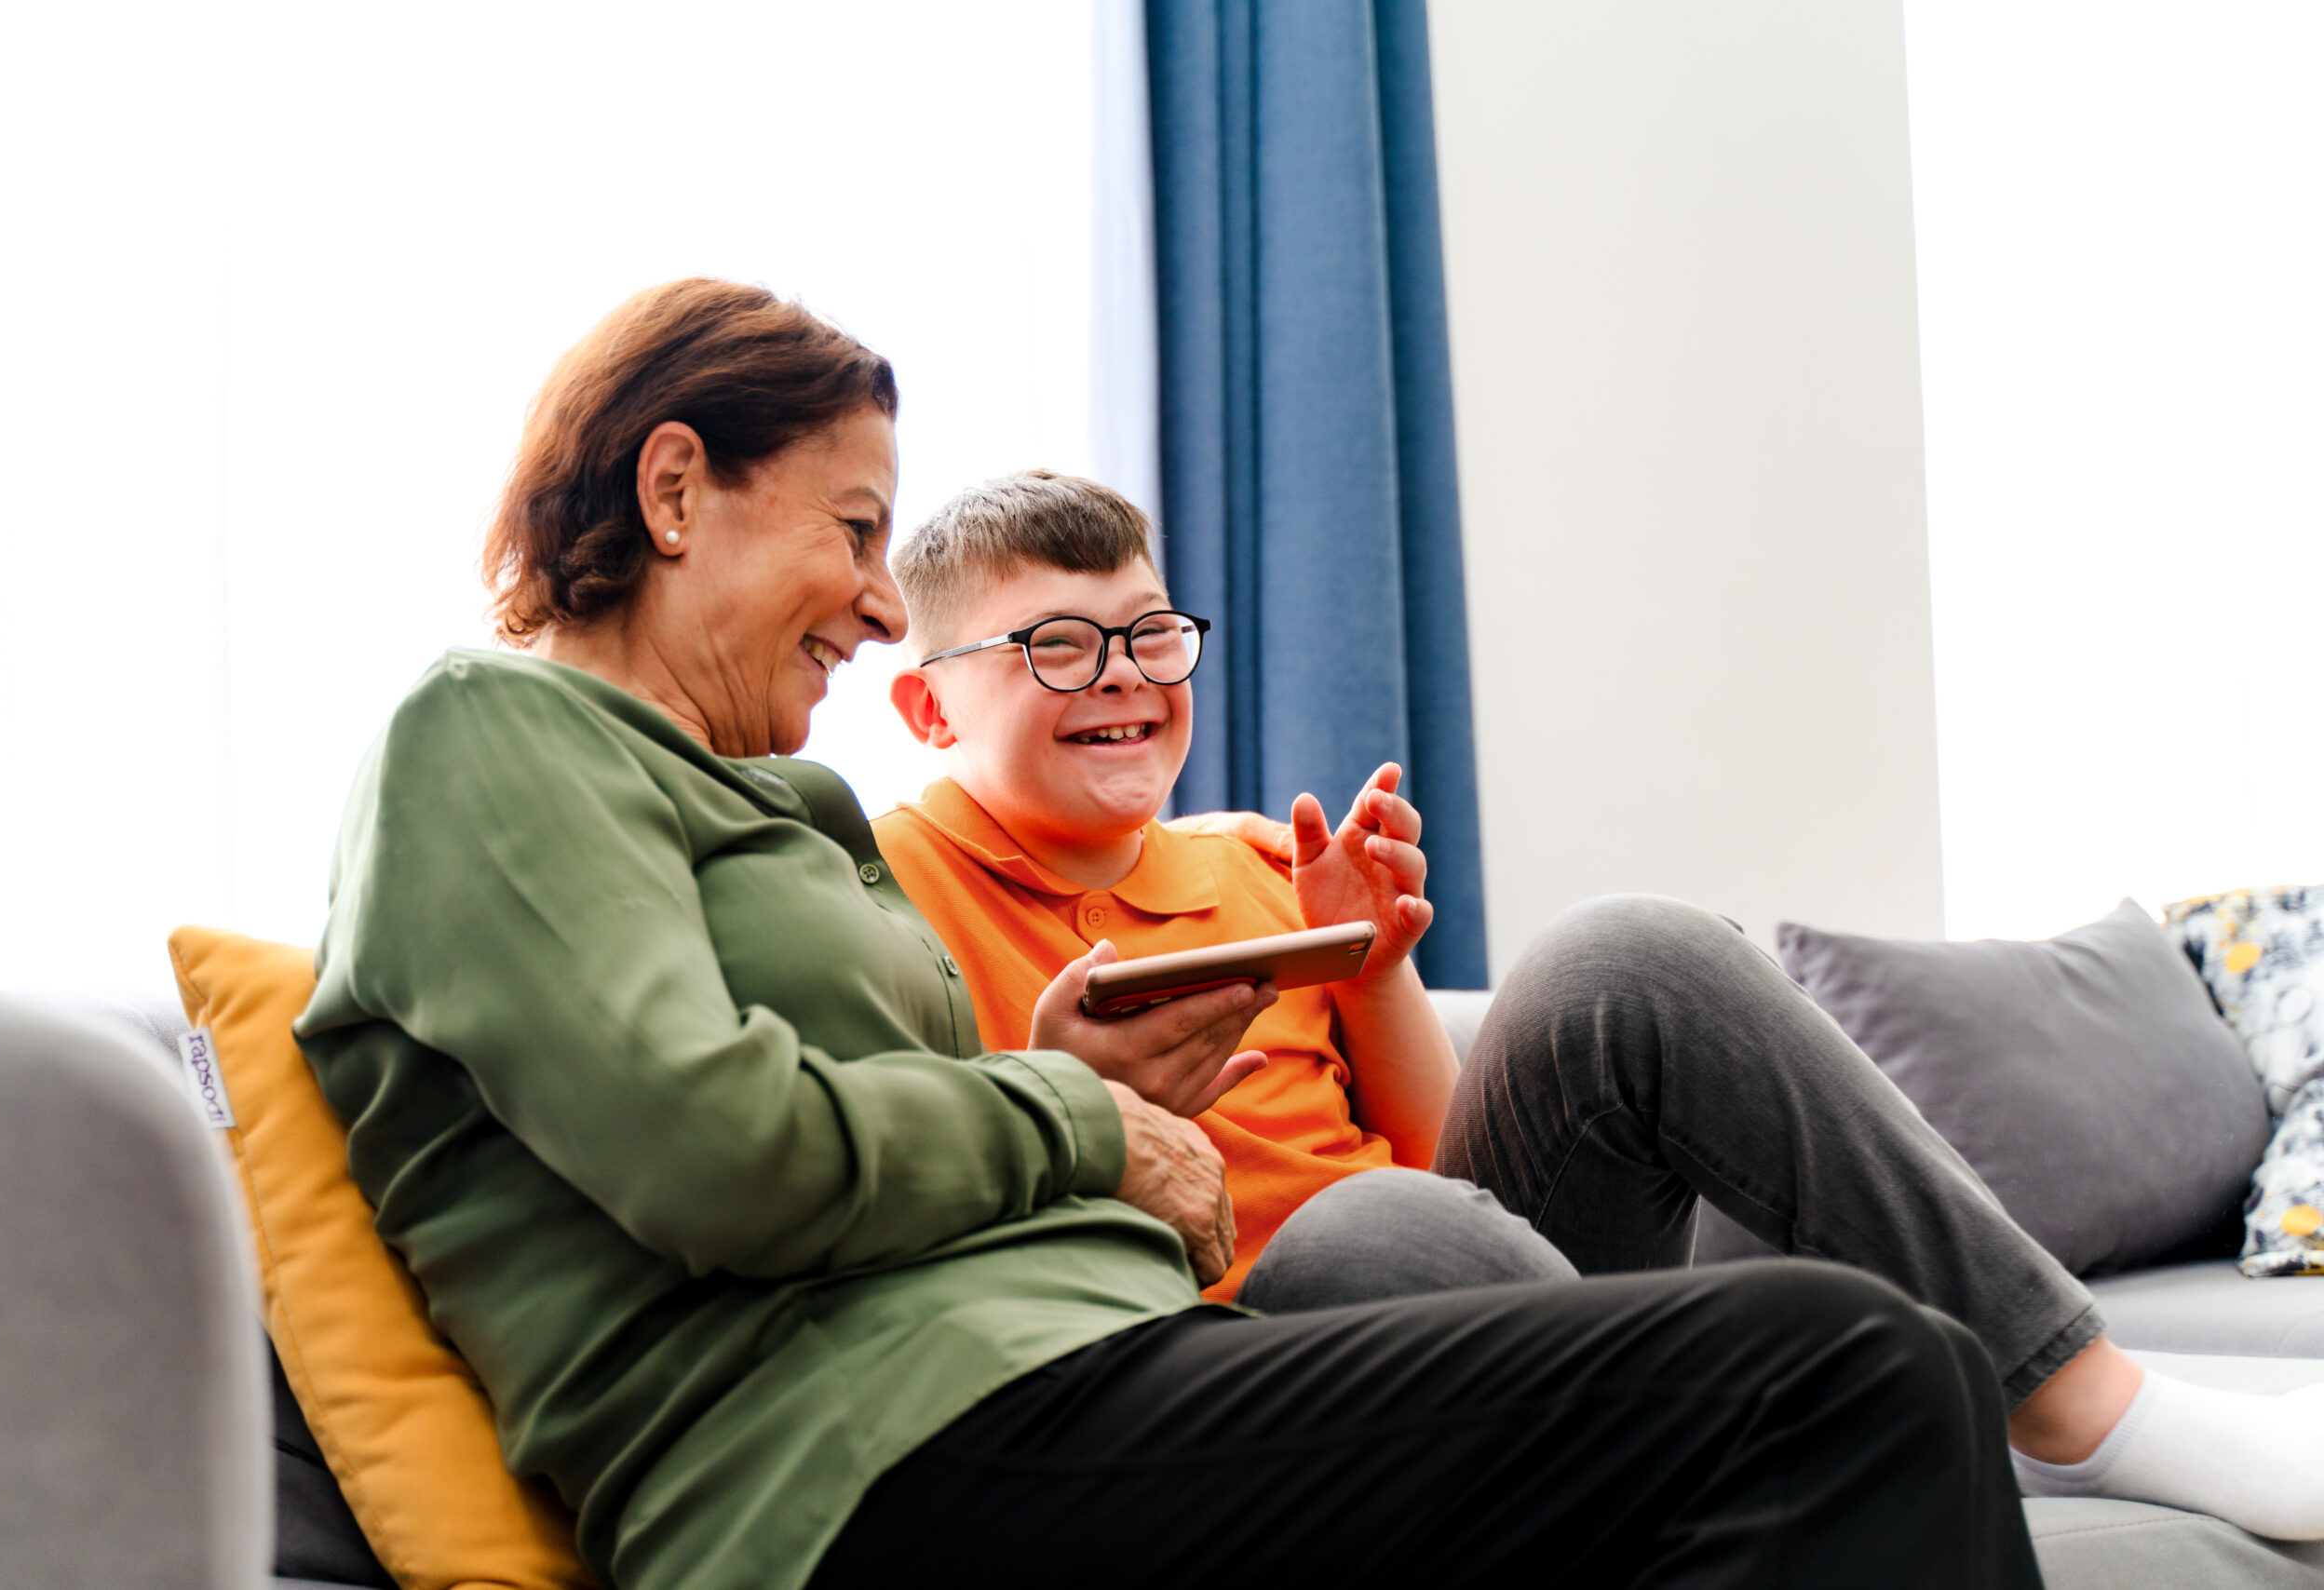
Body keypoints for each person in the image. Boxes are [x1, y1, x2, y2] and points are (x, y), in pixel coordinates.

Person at [298, 277, 2041, 1590]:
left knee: (1836, 1325)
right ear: (675, 492)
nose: (882, 594)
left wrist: (1065, 1083)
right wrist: (1081, 1118)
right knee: (1848, 1370)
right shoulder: (491, 735)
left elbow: (895, 1151)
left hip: (1086, 1369)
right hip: (873, 1466)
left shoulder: (785, 819)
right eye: (852, 530)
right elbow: (716, 1149)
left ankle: (2077, 1383)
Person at [874, 467, 2324, 1543]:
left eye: (1150, 636)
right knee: (1370, 1231)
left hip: (1481, 1300)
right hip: (1245, 1384)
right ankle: (1788, 1442)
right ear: (931, 709)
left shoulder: (1263, 858)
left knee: (1628, 953)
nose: (1123, 681)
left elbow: (1465, 1178)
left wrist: (1365, 961)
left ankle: (2080, 1409)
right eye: (1056, 648)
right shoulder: (882, 891)